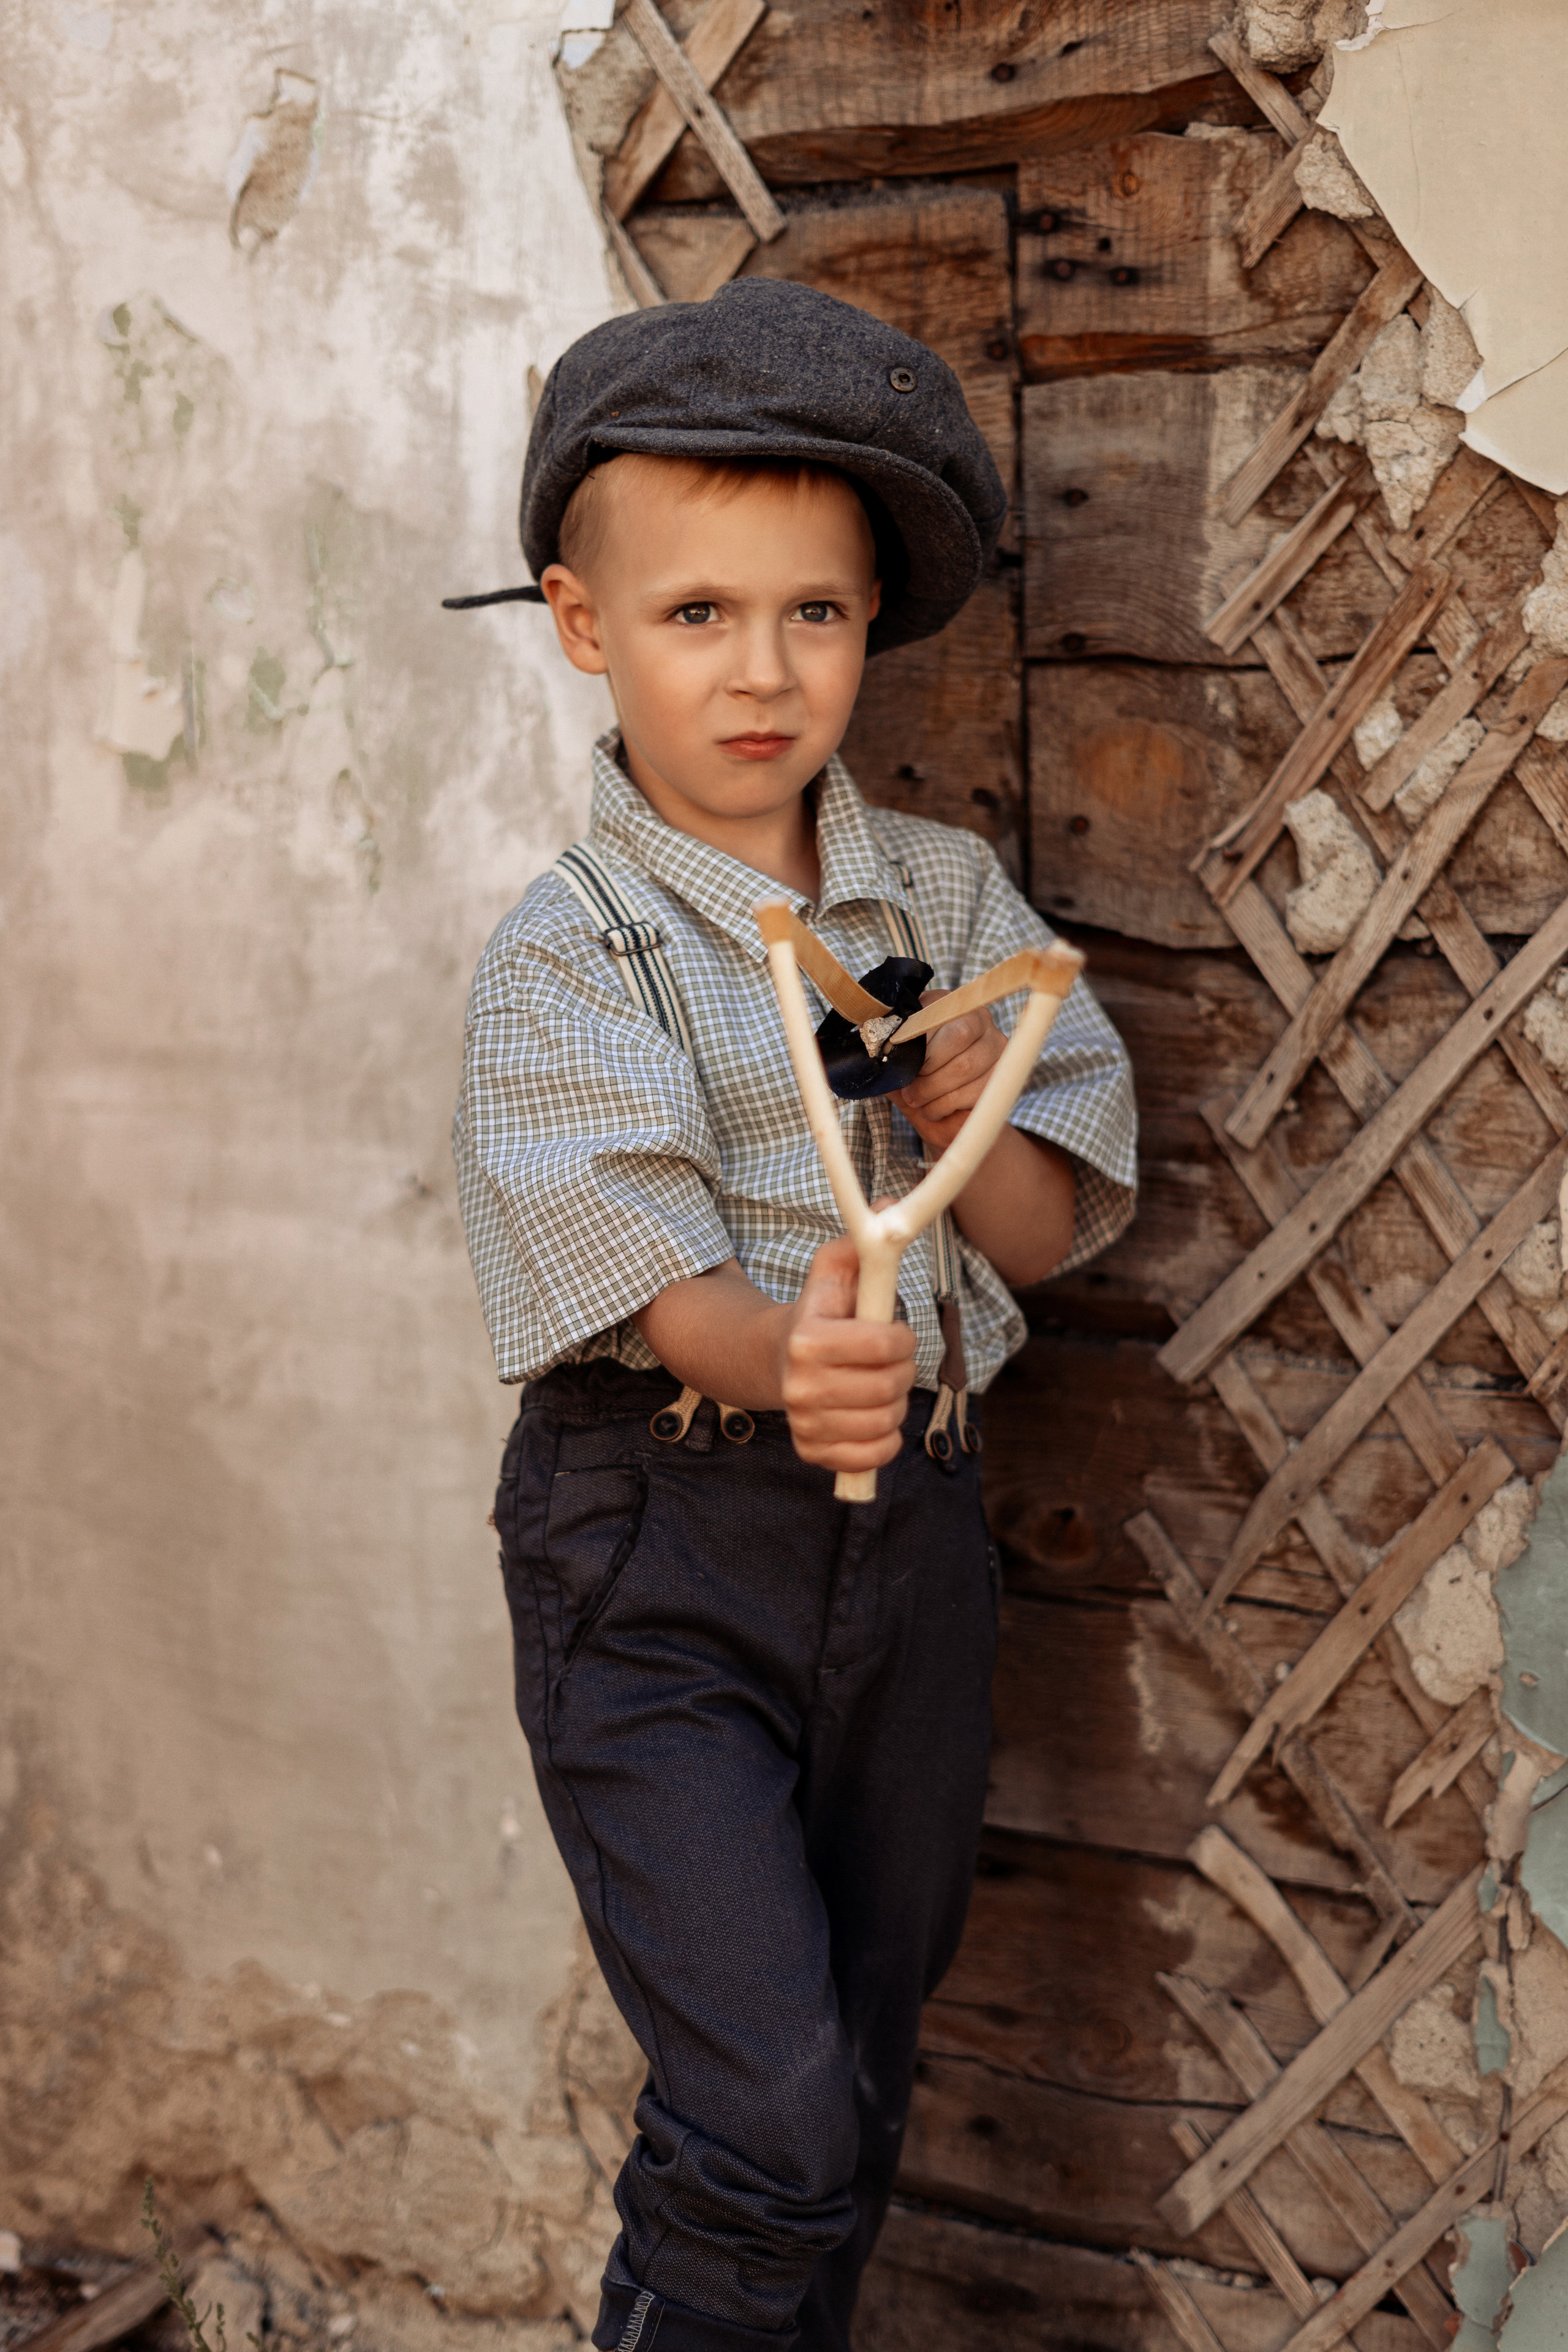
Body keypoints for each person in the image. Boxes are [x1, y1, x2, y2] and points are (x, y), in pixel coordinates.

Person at [450, 277, 1136, 2352]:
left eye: (812, 616)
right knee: (760, 2116)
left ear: (869, 624)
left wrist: (967, 1108)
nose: (761, 674)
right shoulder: (570, 956)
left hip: (910, 1547)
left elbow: (1028, 1228)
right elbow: (658, 1294)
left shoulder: (945, 904)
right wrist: (793, 1359)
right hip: (656, 1552)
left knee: (854, 2074)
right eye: (695, 617)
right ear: (583, 622)